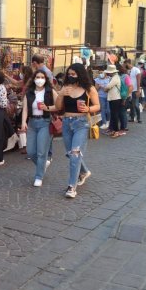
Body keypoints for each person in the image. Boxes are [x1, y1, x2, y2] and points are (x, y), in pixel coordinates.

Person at [55, 63, 100, 198]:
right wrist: (61, 94)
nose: (71, 76)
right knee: (71, 154)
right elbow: (58, 107)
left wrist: (88, 109)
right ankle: (84, 171)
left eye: (73, 74)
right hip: (66, 123)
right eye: (69, 74)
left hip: (81, 123)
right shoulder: (66, 88)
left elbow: (97, 105)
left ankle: (71, 187)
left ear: (80, 74)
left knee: (74, 155)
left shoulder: (89, 88)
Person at [20, 70, 58, 187]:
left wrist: (47, 108)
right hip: (32, 123)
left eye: (42, 77)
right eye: (37, 77)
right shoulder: (29, 93)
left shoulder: (50, 91)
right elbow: (25, 109)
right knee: (31, 151)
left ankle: (39, 176)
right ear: (34, 78)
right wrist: (23, 123)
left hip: (45, 122)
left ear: (46, 79)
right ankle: (42, 166)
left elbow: (58, 106)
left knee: (42, 152)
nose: (40, 79)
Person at [104, 64, 124, 137]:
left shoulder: (115, 77)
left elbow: (108, 86)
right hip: (113, 98)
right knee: (113, 114)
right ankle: (113, 130)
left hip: (115, 98)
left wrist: (105, 88)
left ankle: (116, 131)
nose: (108, 73)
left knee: (115, 115)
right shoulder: (114, 77)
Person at [117, 63, 133, 135]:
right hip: (119, 96)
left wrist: (126, 97)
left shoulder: (126, 76)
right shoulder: (118, 76)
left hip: (124, 96)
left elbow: (130, 87)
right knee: (121, 112)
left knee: (123, 112)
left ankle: (124, 127)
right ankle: (123, 127)